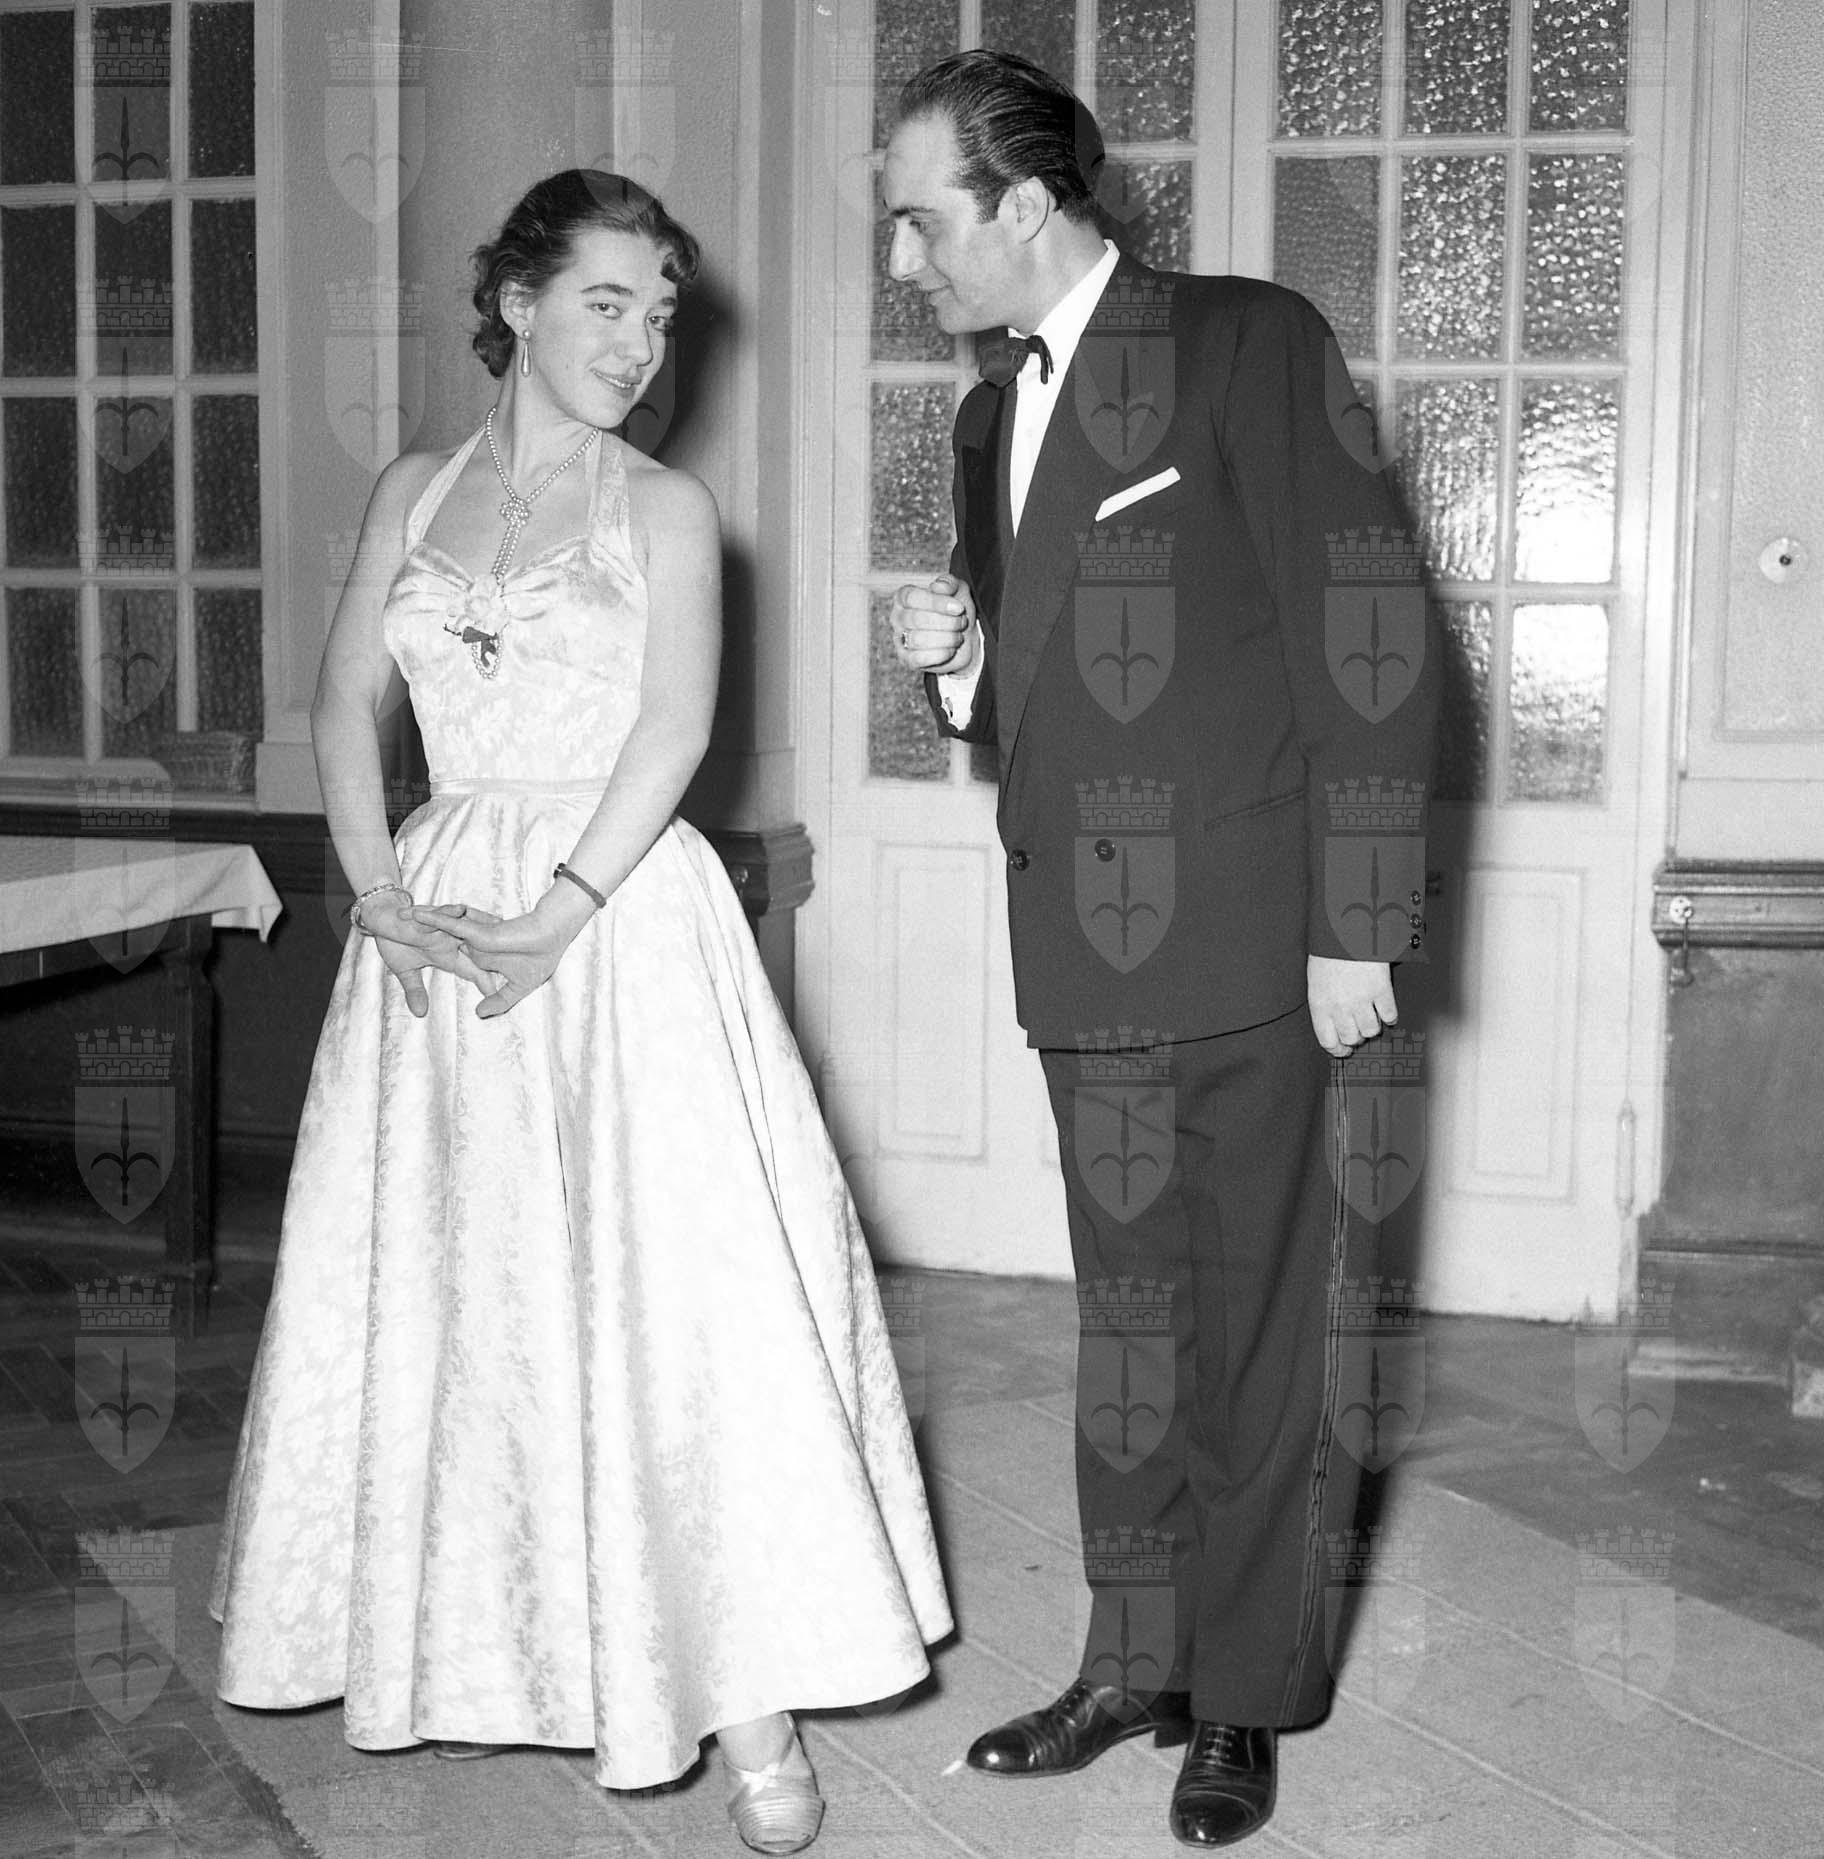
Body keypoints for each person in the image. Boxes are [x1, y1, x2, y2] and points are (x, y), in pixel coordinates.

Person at [211, 169, 951, 1857]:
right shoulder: (412, 488)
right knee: (460, 1296)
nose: (640, 344)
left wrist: (558, 915)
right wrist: (376, 895)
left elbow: (674, 729)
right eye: (608, 304)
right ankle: (481, 1636)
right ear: (518, 302)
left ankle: (749, 1701)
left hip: (614, 918)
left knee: (673, 1297)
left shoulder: (668, 509)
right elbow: (341, 703)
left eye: (661, 315)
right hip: (433, 919)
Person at [883, 53, 1438, 1849]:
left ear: (1025, 203)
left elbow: (1373, 636)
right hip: (1088, 955)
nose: (904, 260)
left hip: (1268, 946)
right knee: (1131, 1331)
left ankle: (1245, 1698)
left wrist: (1358, 925)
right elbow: (1039, 712)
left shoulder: (1246, 342)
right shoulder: (990, 422)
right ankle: (1136, 1661)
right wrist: (960, 668)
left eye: (922, 221)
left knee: (1270, 1338)